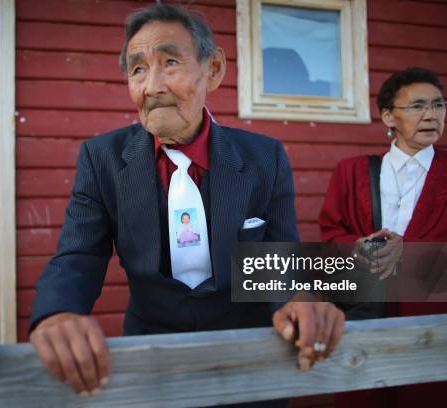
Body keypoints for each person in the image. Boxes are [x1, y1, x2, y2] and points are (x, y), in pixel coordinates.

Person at [29, 3, 345, 401]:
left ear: (212, 70)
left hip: (250, 351)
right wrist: (58, 311)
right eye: (138, 69)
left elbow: (278, 255)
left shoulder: (265, 158)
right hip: (151, 355)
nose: (152, 86)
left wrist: (297, 299)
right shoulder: (101, 158)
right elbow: (79, 255)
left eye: (170, 62)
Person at [319, 67, 447, 407]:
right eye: (417, 106)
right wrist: (357, 247)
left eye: (439, 105)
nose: (431, 114)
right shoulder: (350, 171)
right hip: (364, 316)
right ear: (388, 117)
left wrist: (408, 252)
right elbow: (331, 232)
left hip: (436, 322)